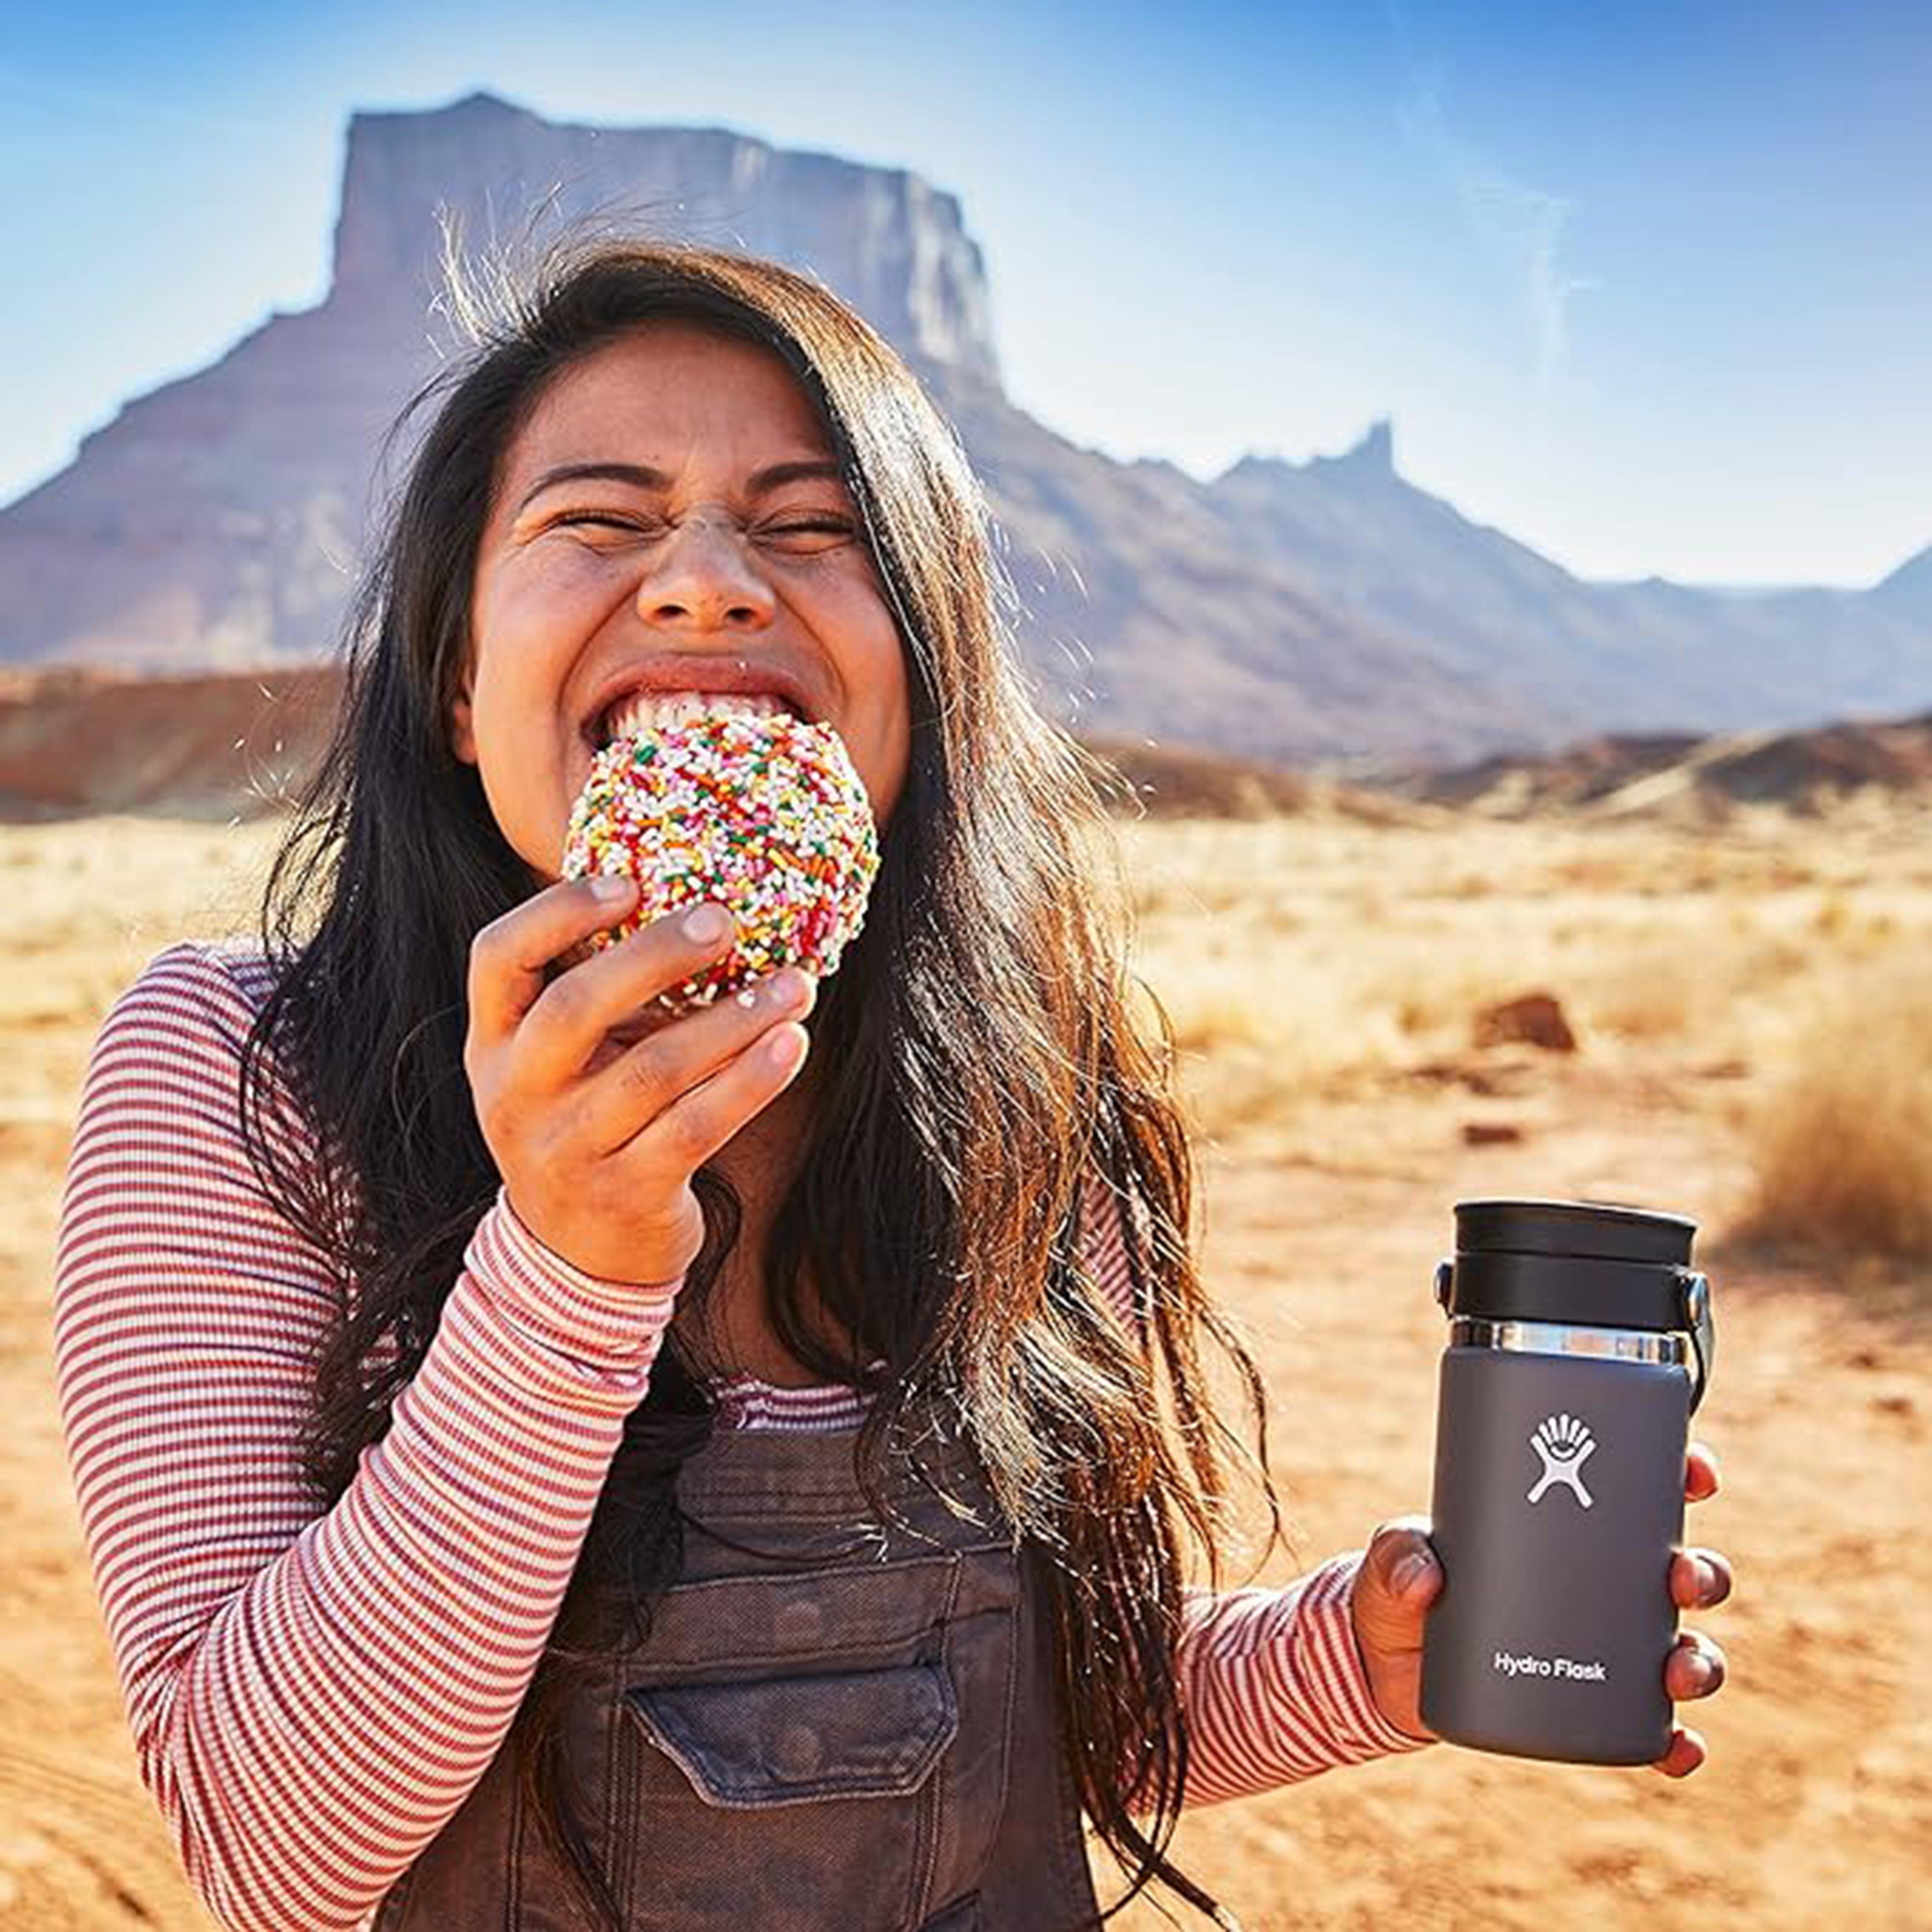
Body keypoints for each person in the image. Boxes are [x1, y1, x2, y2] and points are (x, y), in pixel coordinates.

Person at [52, 237, 1732, 1932]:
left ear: (922, 685)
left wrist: (1356, 1659)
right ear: (462, 689)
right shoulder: (241, 1075)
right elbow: (275, 1851)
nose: (707, 583)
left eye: (812, 528)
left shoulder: (1020, 1091)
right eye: (599, 520)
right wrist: (568, 1263)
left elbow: (1025, 1723)